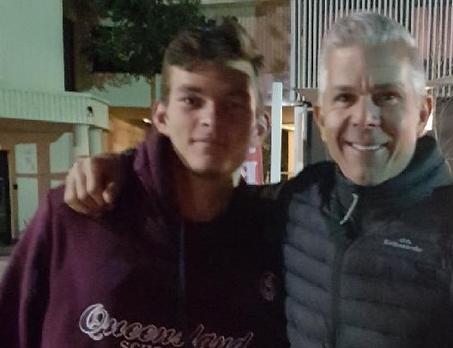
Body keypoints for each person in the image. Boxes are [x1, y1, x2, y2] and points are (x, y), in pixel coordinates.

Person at [60, 14, 453, 348]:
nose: (364, 118)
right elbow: (200, 196)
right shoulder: (298, 201)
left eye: (387, 96)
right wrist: (123, 169)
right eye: (345, 97)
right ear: (322, 113)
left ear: (424, 110)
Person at [0, 19, 288, 347]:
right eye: (192, 101)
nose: (212, 119)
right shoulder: (77, 213)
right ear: (161, 117)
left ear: (258, 127)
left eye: (233, 104)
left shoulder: (274, 237)